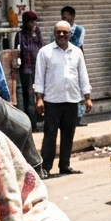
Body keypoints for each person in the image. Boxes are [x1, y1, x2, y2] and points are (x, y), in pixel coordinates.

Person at [34, 21, 92, 178]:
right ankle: (46, 167)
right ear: (54, 34)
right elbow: (39, 77)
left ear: (70, 34)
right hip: (52, 101)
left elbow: (83, 75)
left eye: (65, 32)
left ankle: (65, 165)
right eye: (58, 32)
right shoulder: (45, 52)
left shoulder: (77, 52)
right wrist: (39, 99)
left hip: (72, 100)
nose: (61, 35)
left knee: (68, 134)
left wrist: (87, 97)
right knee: (50, 135)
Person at [18, 12, 45, 130]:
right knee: (29, 97)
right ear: (25, 23)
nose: (33, 24)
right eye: (31, 22)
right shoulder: (20, 34)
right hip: (27, 70)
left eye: (35, 22)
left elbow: (42, 47)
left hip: (39, 68)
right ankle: (32, 125)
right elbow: (20, 50)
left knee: (42, 94)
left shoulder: (37, 32)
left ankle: (43, 120)